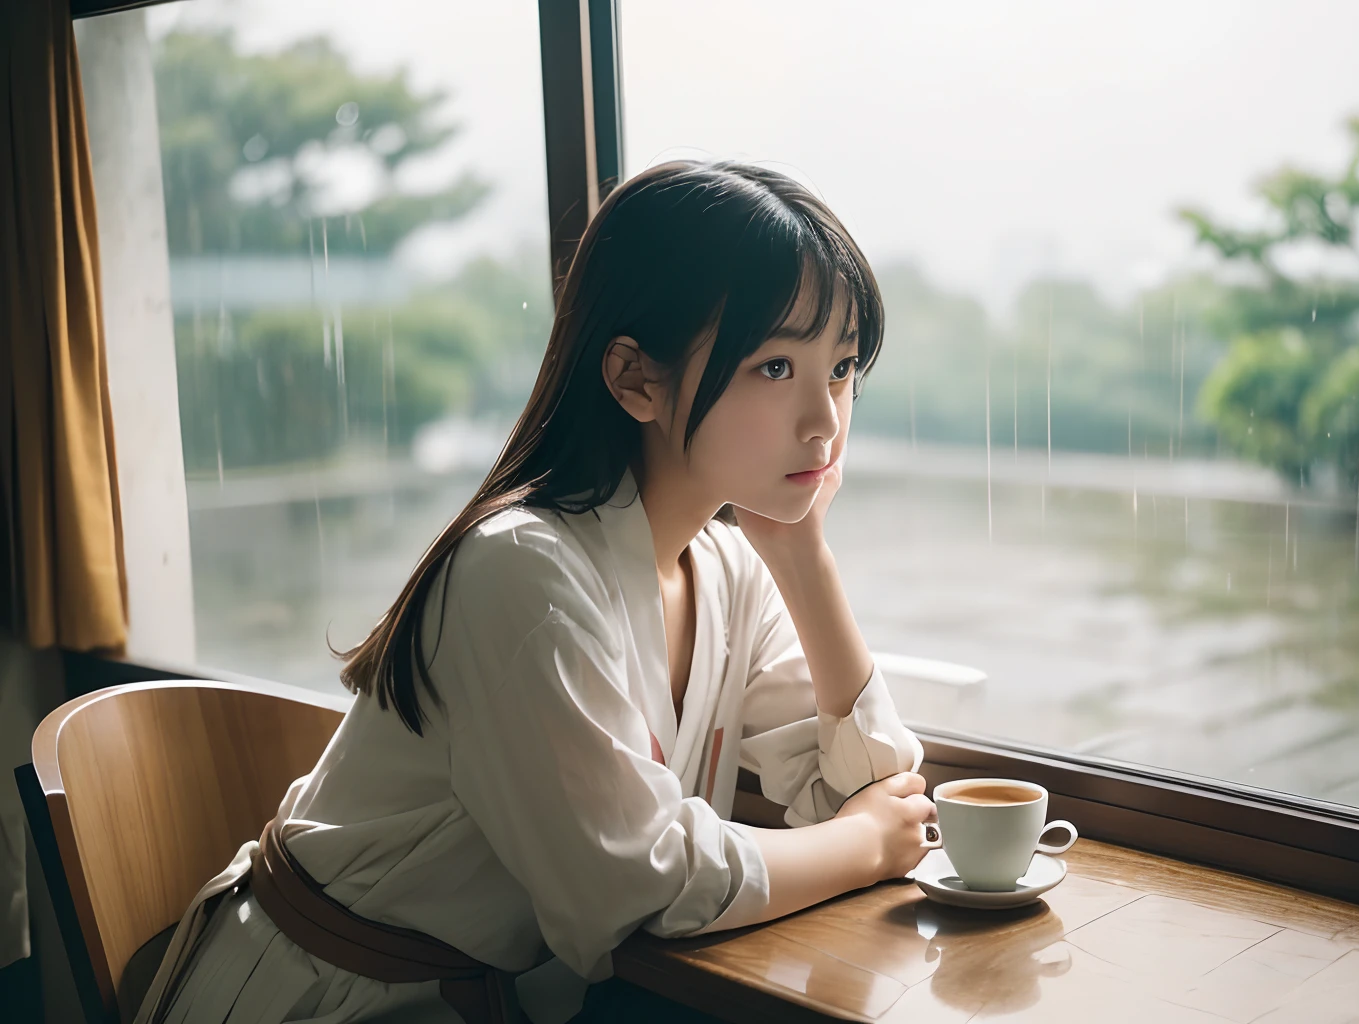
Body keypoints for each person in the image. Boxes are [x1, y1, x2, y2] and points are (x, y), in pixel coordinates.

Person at [137, 160, 936, 1024]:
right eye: (776, 367)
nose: (826, 418)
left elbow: (871, 794)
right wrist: (857, 848)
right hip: (331, 1000)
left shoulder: (728, 566)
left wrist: (804, 555)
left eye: (844, 366)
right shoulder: (522, 570)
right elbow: (635, 890)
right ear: (636, 378)